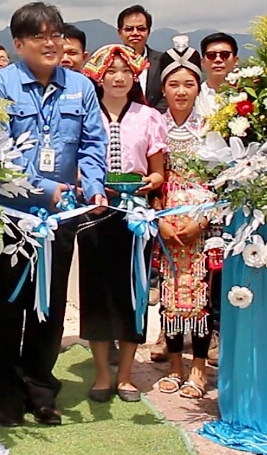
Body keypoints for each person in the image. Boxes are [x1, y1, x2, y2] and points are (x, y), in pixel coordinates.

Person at [0, 2, 107, 427]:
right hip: (8, 216)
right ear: (18, 44)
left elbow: (92, 144)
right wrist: (46, 189)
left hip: (61, 219)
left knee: (48, 306)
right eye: (39, 36)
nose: (51, 42)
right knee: (5, 307)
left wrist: (92, 187)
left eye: (56, 34)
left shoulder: (81, 87)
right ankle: (8, 396)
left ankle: (40, 389)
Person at [78, 44, 167, 403]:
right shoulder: (86, 115)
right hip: (96, 213)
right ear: (98, 75)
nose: (118, 77)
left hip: (135, 215)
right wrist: (91, 188)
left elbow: (159, 171)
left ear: (135, 77)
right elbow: (76, 165)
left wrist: (151, 183)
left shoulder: (148, 117)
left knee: (134, 291)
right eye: (111, 71)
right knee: (96, 291)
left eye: (126, 71)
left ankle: (126, 375)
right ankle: (101, 373)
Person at [149, 37, 217, 399]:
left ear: (198, 86)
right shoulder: (155, 124)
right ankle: (175, 367)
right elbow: (152, 176)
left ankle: (198, 370)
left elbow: (222, 181)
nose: (181, 90)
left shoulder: (211, 126)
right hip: (167, 215)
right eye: (173, 83)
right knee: (171, 294)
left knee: (200, 295)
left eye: (189, 83)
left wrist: (202, 220)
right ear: (164, 87)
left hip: (201, 219)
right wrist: (158, 218)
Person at [116, 5, 166, 111]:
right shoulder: (109, 62)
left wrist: (152, 117)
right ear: (120, 32)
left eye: (141, 29)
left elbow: (169, 94)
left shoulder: (163, 60)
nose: (135, 33)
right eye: (129, 29)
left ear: (148, 31)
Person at [196, 32, 239, 117]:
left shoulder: (247, 93)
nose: (218, 59)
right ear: (202, 62)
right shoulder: (194, 96)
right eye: (211, 55)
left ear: (236, 60)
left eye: (225, 55)